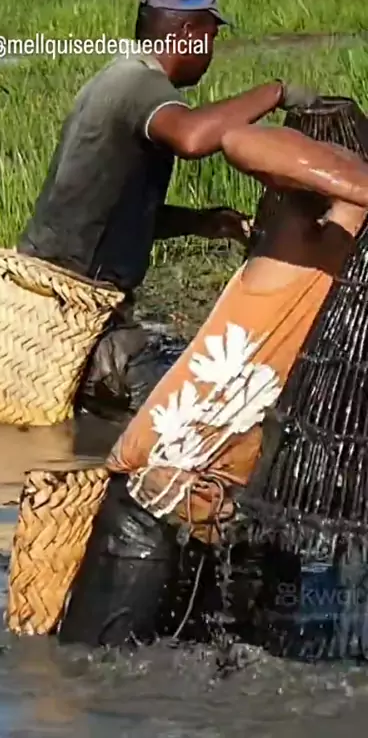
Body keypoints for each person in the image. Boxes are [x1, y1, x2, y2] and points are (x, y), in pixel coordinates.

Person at [56, 124, 368, 648]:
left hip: (233, 527)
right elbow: (241, 140)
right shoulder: (300, 248)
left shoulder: (350, 291)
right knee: (93, 672)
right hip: (153, 503)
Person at [17, 0, 316, 417]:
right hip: (79, 311)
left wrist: (202, 221)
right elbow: (192, 138)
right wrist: (276, 93)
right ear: (189, 32)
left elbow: (104, 211)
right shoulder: (139, 84)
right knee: (200, 412)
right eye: (210, 37)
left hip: (55, 305)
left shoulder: (115, 77)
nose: (210, 51)